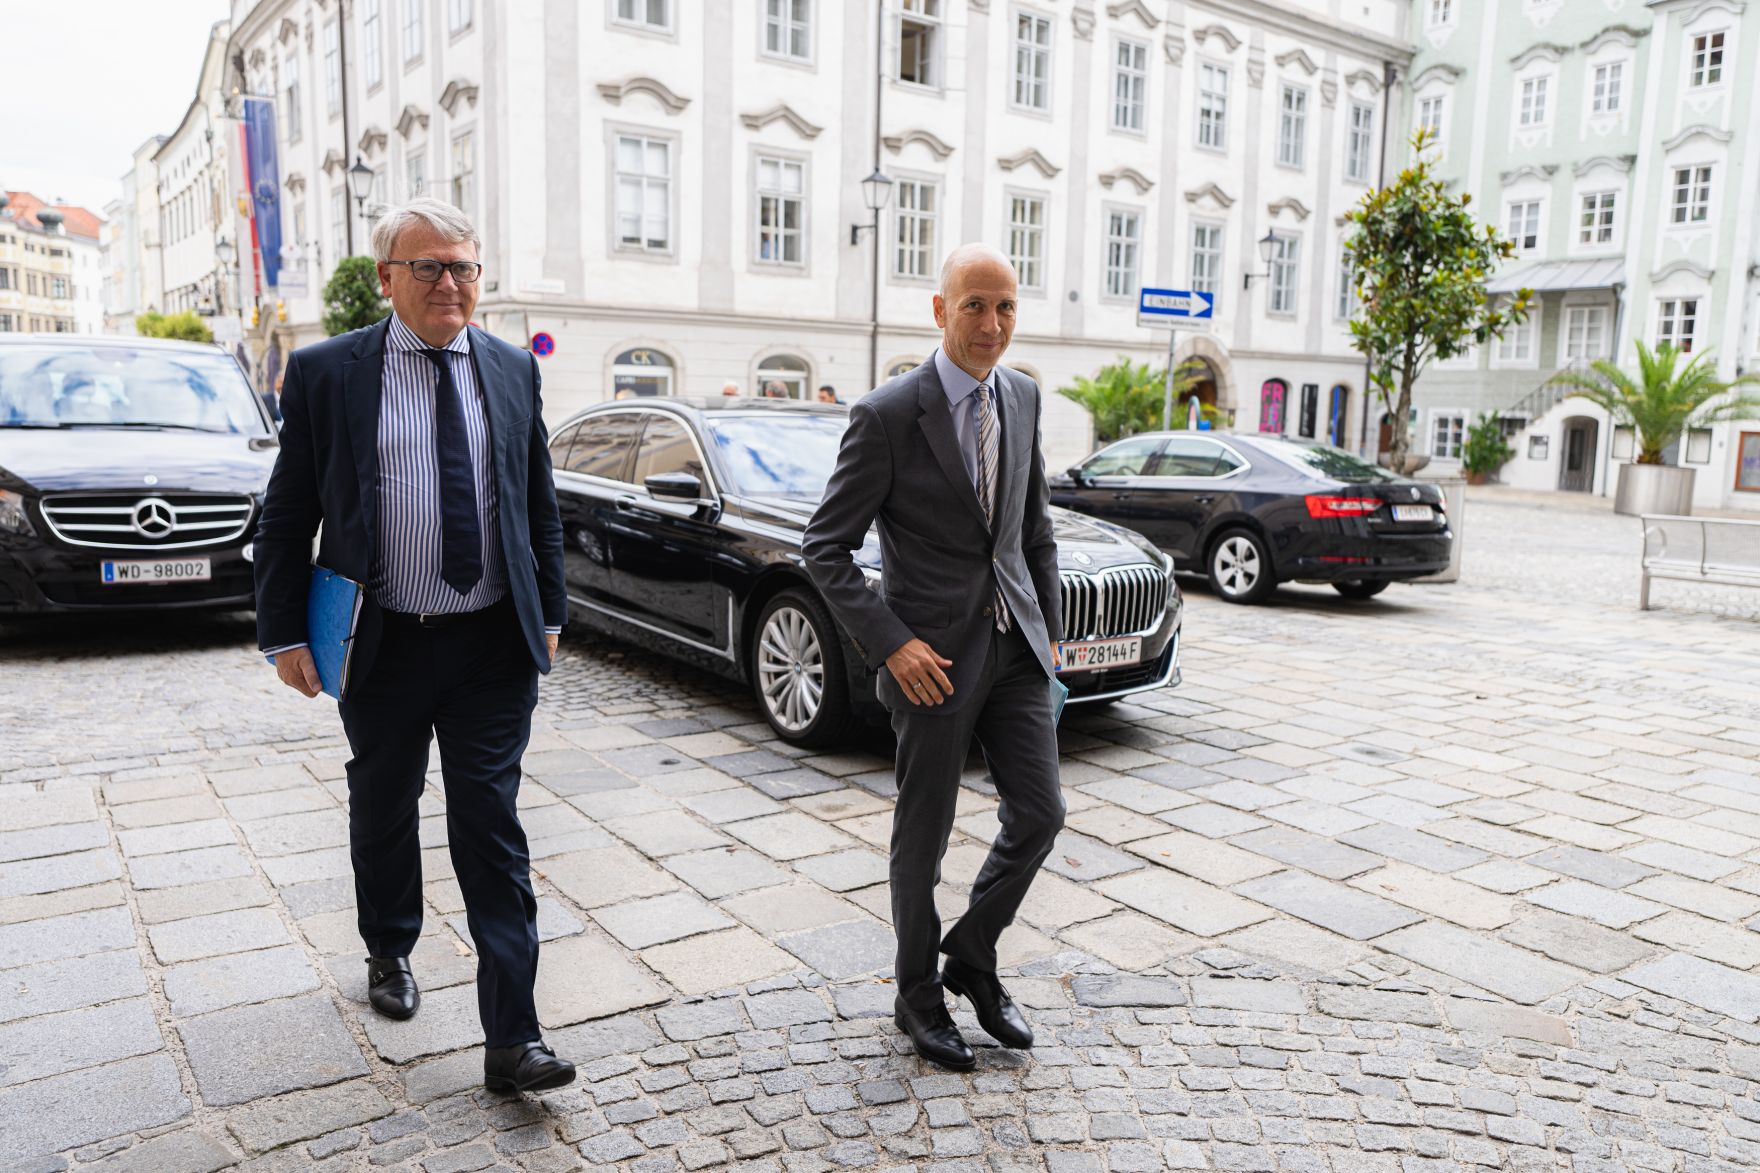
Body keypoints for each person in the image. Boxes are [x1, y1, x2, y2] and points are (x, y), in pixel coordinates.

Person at [253, 198, 576, 1095]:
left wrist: (549, 610)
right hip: (384, 640)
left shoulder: (513, 370)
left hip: (489, 646)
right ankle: (389, 947)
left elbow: (536, 502)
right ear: (387, 277)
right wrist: (283, 630)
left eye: (465, 267)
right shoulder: (327, 373)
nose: (450, 282)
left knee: (492, 829)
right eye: (429, 266)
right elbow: (288, 515)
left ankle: (514, 1034)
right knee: (384, 804)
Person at [802, 243, 1063, 1071]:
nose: (993, 324)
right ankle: (917, 992)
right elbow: (826, 549)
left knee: (1042, 811)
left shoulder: (1021, 395)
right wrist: (893, 642)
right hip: (934, 661)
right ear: (939, 309)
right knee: (925, 834)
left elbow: (1033, 531)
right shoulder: (886, 414)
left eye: (1007, 307)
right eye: (976, 305)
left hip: (1017, 648)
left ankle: (973, 954)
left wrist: (1048, 632)